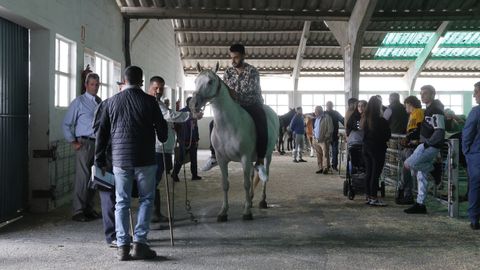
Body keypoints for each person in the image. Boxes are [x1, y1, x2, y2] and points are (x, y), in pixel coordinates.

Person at [95, 66, 168, 260]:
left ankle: (122, 246)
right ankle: (140, 243)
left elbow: (101, 134)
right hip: (145, 159)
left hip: (120, 160)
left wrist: (99, 159)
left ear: (124, 81)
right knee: (146, 199)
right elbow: (163, 133)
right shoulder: (150, 101)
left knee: (121, 202)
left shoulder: (110, 102)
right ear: (142, 81)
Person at [203, 43, 268, 181]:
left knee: (261, 123)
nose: (233, 61)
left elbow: (252, 92)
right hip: (234, 106)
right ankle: (214, 156)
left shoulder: (252, 72)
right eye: (231, 58)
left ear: (244, 56)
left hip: (252, 104)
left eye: (236, 57)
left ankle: (260, 162)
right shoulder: (228, 73)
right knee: (211, 124)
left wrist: (235, 95)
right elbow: (225, 92)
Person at [147, 76, 194, 226]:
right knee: (153, 181)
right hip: (157, 149)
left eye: (161, 88)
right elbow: (169, 115)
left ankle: (155, 212)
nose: (159, 91)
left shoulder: (159, 102)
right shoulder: (153, 103)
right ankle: (153, 213)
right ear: (150, 86)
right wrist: (189, 115)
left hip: (164, 149)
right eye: (156, 88)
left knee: (157, 181)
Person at [62, 73, 102, 222]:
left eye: (97, 84)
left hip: (98, 143)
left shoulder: (99, 102)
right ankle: (77, 211)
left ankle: (88, 208)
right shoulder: (79, 102)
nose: (95, 87)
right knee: (83, 177)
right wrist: (73, 142)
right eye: (92, 84)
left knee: (95, 177)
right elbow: (66, 124)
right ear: (86, 85)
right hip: (84, 143)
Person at [404, 85, 445, 214]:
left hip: (430, 146)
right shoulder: (428, 109)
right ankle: (420, 203)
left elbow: (439, 131)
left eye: (425, 93)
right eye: (421, 93)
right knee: (421, 176)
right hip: (424, 144)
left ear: (433, 94)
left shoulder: (436, 109)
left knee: (409, 164)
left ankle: (434, 170)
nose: (422, 96)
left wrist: (428, 143)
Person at [361, 96, 391, 206]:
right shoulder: (381, 120)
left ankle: (368, 196)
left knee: (368, 173)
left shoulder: (365, 119)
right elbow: (387, 135)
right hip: (377, 149)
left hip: (366, 148)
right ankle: (374, 197)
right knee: (375, 174)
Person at [396, 96, 424, 205]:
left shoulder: (418, 112)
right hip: (409, 146)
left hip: (414, 147)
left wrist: (408, 138)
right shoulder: (412, 115)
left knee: (409, 172)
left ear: (410, 103)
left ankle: (404, 191)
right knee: (407, 172)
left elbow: (419, 128)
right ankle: (407, 194)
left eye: (405, 105)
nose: (404, 107)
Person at [462, 81, 480, 230]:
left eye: (476, 91)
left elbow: (467, 134)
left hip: (477, 156)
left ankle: (474, 219)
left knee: (475, 187)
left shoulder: (476, 112)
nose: (474, 95)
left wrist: (466, 151)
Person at [171, 97, 202, 182]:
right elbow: (175, 125)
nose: (195, 105)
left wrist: (197, 138)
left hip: (193, 140)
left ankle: (194, 175)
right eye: (193, 103)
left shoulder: (194, 112)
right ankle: (174, 174)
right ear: (189, 103)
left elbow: (195, 127)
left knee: (193, 158)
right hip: (184, 139)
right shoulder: (182, 112)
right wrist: (179, 137)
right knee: (181, 158)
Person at [312, 106, 333, 174]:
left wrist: (326, 137)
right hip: (316, 139)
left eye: (317, 110)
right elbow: (315, 128)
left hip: (324, 140)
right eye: (315, 110)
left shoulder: (327, 117)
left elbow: (330, 129)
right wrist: (314, 135)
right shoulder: (316, 118)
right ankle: (320, 168)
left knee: (325, 154)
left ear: (321, 111)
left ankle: (326, 168)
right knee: (318, 154)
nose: (315, 112)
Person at [325, 101, 344, 171]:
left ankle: (334, 165)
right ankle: (326, 165)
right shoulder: (324, 113)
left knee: (335, 151)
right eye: (328, 105)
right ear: (326, 106)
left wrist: (348, 126)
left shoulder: (336, 113)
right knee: (325, 152)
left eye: (330, 105)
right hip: (326, 135)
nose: (329, 106)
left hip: (334, 135)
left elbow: (342, 120)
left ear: (332, 106)